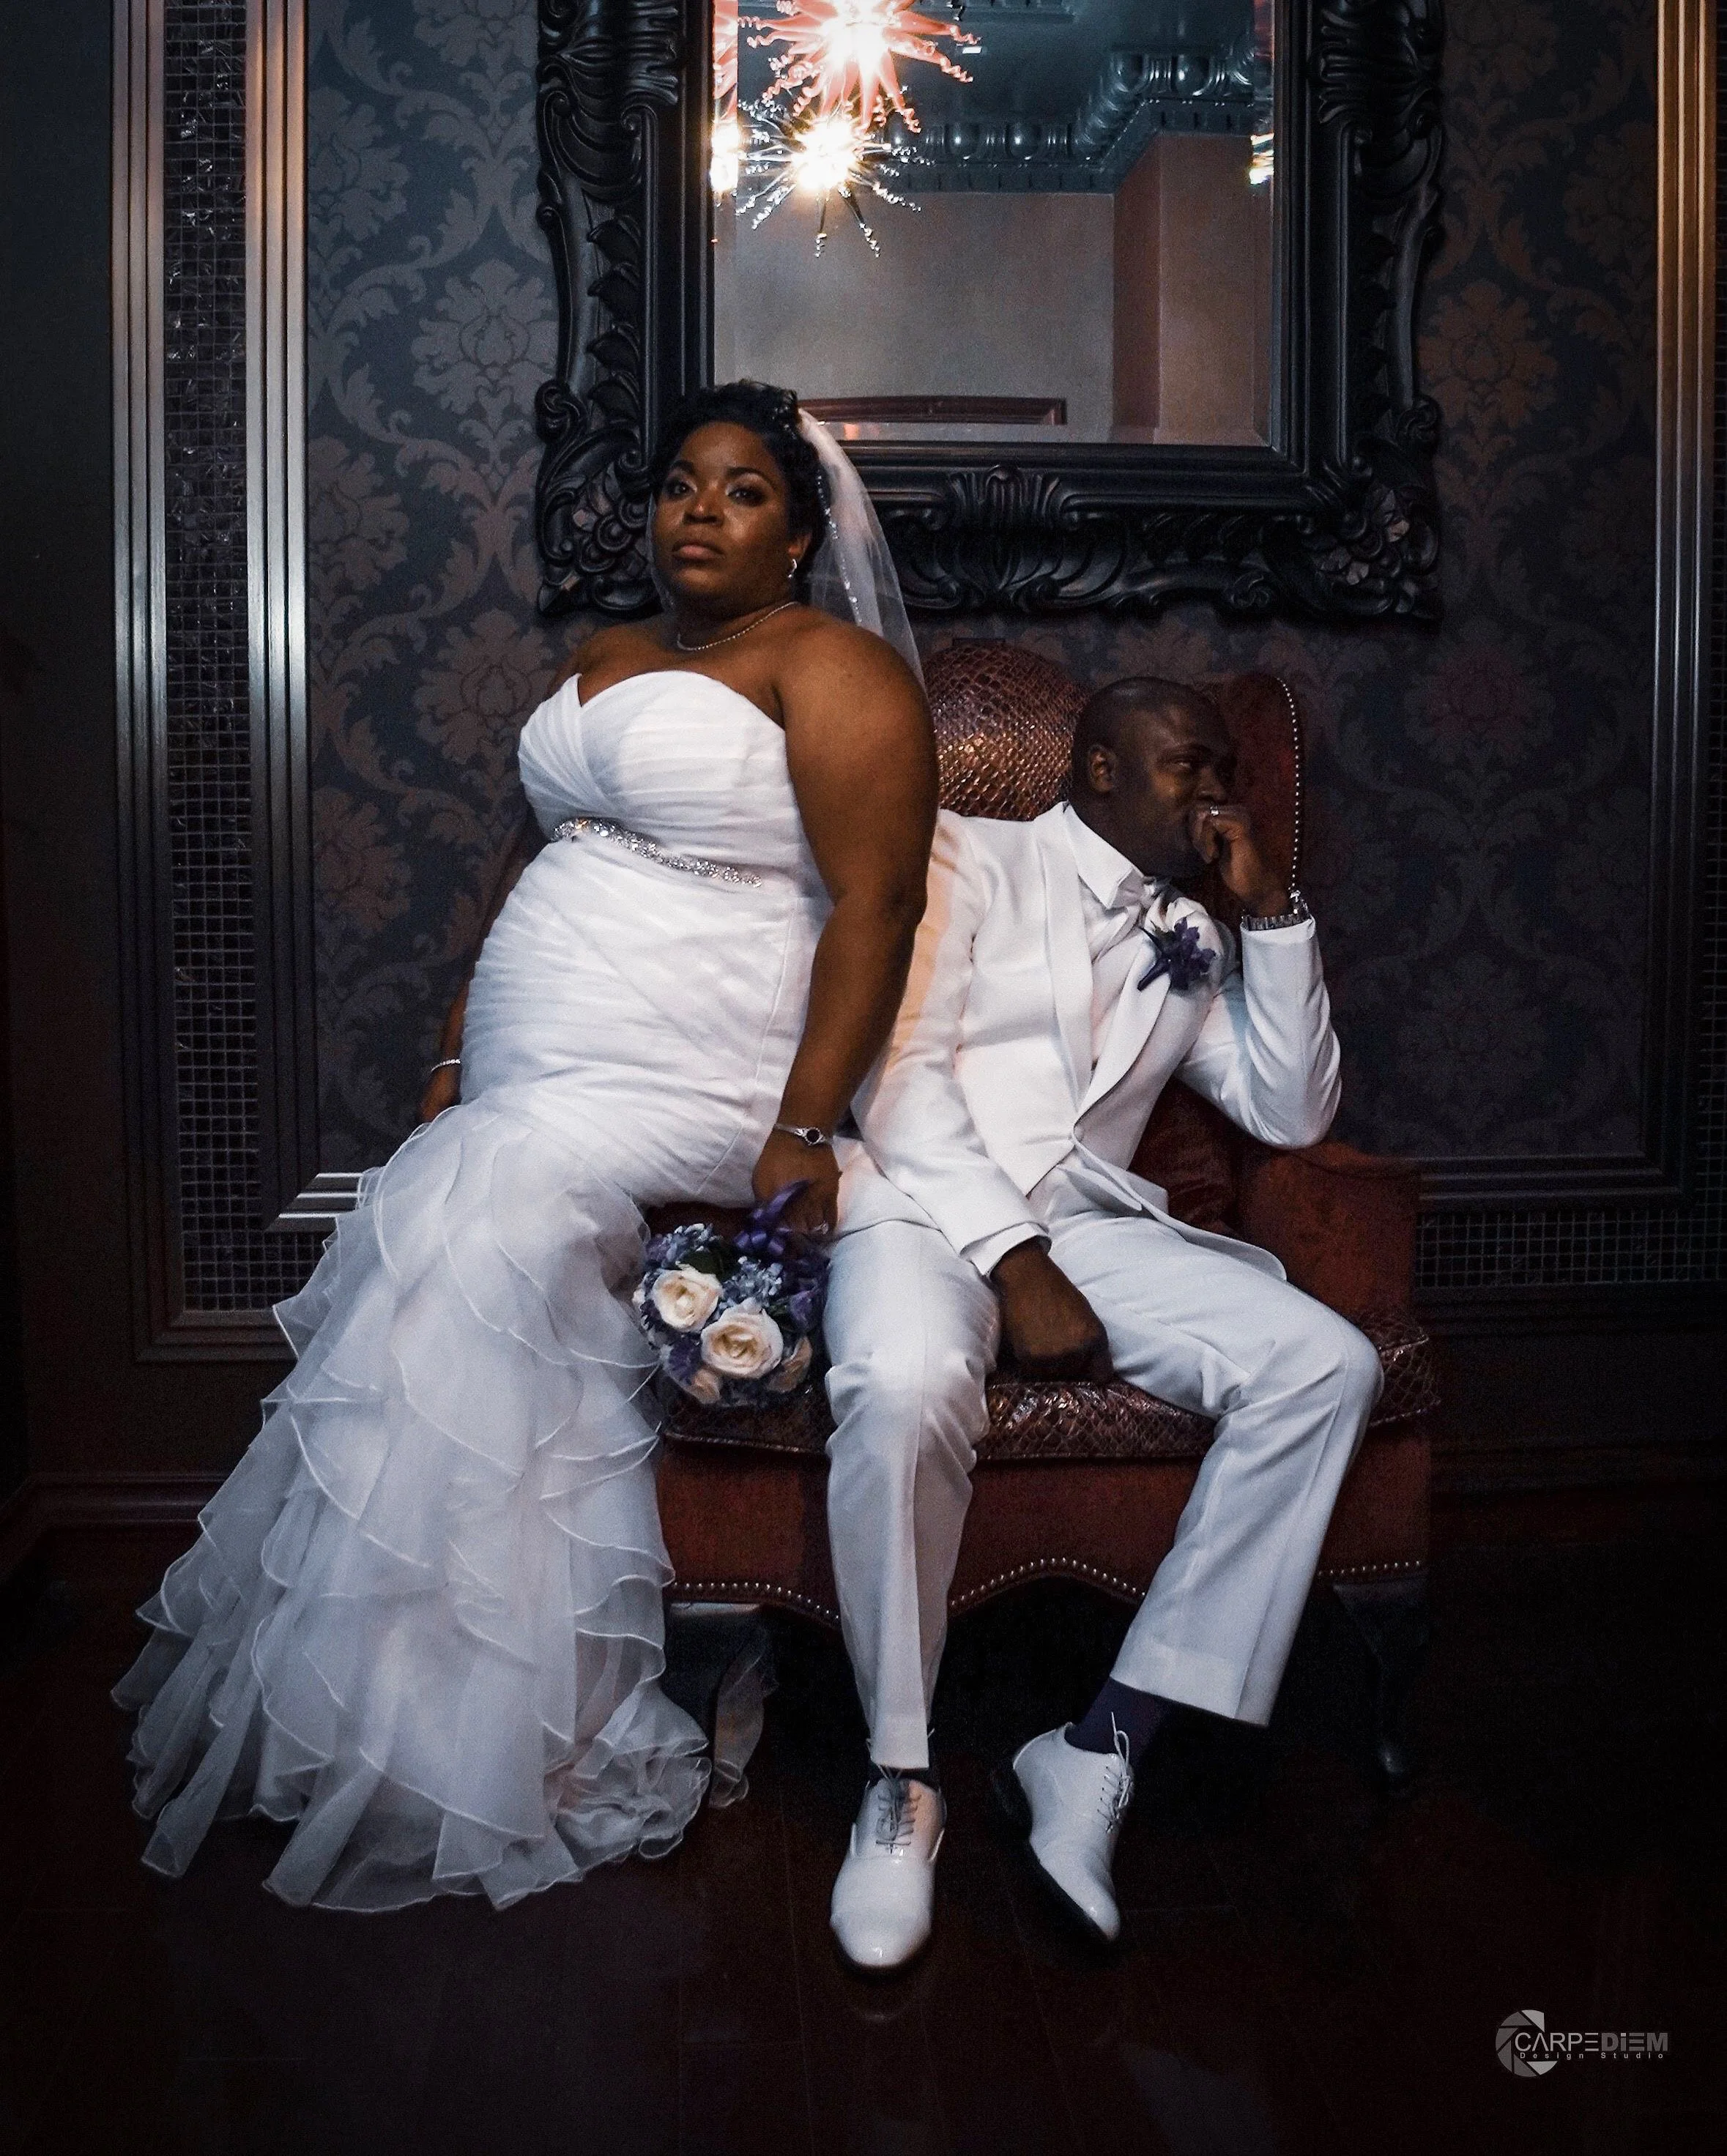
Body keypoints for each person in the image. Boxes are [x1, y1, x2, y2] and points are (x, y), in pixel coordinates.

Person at [115, 381, 936, 1911]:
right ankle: (412, 1708)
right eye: (679, 481)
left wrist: (809, 1124)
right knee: (463, 1227)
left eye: (742, 489)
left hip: (714, 1068)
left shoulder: (833, 668)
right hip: (536, 1066)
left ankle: (493, 1733)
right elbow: (529, 859)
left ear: (805, 531)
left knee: (471, 1212)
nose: (697, 508)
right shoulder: (609, 659)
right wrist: (446, 1044)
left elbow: (879, 905)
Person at [819, 675, 1381, 1966]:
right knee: (901, 1384)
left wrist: (1277, 918)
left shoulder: (1195, 928)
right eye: (1190, 766)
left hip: (1094, 1232)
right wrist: (1014, 1265)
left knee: (1323, 1366)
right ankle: (899, 1781)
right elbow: (893, 1077)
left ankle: (1099, 1746)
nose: (1218, 793)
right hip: (920, 1201)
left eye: (1226, 768)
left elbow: (1288, 1117)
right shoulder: (961, 852)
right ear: (1098, 772)